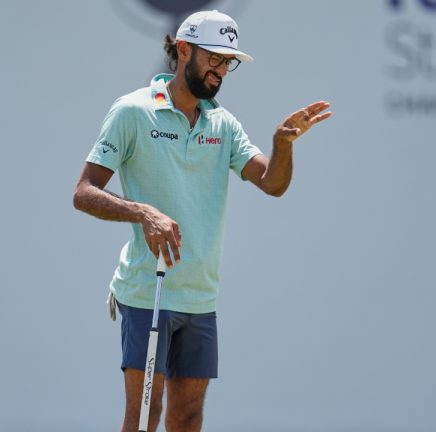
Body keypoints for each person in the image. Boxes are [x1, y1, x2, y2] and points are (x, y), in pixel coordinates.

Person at [73, 10, 331, 432]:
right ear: (183, 49)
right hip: (146, 290)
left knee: (188, 418)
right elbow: (84, 192)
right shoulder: (133, 111)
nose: (221, 70)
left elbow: (271, 183)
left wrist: (282, 144)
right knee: (143, 417)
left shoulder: (223, 124)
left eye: (228, 62)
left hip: (199, 297)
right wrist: (143, 212)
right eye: (213, 58)